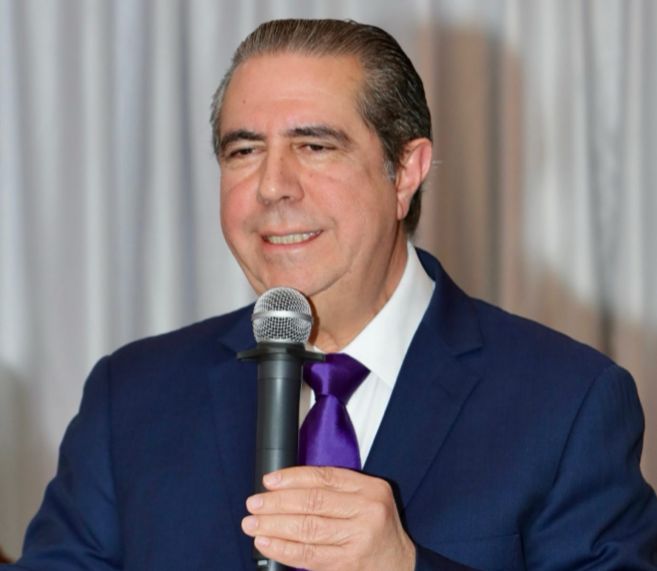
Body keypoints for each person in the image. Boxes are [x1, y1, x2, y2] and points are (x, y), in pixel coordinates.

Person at [4, 18, 657, 571]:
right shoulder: (132, 396)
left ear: (406, 171)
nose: (272, 186)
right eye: (243, 151)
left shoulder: (567, 402)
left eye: (314, 146)